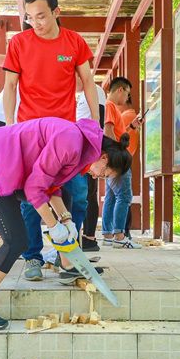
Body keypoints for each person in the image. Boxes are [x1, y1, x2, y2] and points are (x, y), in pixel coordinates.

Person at [0, 117, 132, 329]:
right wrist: (54, 226)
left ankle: (68, 263)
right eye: (104, 174)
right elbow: (34, 189)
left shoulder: (82, 148)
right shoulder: (72, 142)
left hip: (6, 165)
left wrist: (66, 220)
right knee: (15, 241)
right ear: (104, 157)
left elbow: (50, 186)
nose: (98, 176)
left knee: (65, 198)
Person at [2, 0, 99, 281]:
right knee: (32, 197)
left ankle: (66, 256)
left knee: (78, 195)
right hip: (30, 134)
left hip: (65, 136)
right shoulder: (19, 43)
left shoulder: (74, 42)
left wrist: (95, 124)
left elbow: (88, 82)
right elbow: (10, 86)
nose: (36, 23)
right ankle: (32, 256)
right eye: (30, 17)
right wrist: (10, 128)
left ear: (57, 12)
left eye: (41, 16)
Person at [100, 77, 143, 249]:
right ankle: (119, 235)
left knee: (111, 197)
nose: (127, 98)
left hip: (112, 157)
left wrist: (131, 127)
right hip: (117, 159)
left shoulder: (109, 106)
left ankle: (108, 235)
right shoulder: (110, 106)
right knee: (124, 196)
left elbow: (117, 132)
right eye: (127, 93)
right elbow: (108, 130)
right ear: (120, 90)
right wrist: (116, 155)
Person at [77, 75, 107, 252]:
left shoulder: (95, 90)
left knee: (87, 194)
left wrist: (94, 153)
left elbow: (99, 122)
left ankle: (89, 238)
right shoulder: (80, 96)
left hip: (89, 151)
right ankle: (82, 238)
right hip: (80, 151)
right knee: (82, 195)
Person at [120, 92, 141, 239]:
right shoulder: (130, 116)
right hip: (124, 160)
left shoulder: (124, 117)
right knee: (124, 197)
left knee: (118, 197)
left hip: (120, 159)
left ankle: (116, 233)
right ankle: (122, 233)